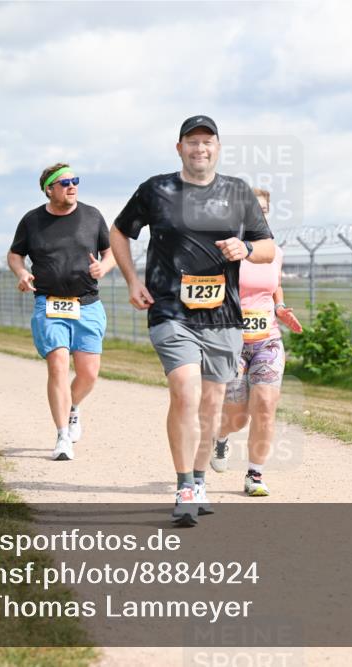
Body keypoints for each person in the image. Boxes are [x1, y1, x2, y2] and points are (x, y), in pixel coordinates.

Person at [110, 115, 275, 526]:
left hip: (223, 314)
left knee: (213, 403)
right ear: (179, 147)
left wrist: (245, 248)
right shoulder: (157, 189)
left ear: (217, 147)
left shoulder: (237, 191)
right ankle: (184, 484)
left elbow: (268, 247)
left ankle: (199, 479)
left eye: (207, 141)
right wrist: (132, 280)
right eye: (192, 142)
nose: (200, 148)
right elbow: (118, 233)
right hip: (170, 308)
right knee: (184, 389)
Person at [8, 163, 115, 462]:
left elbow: (110, 252)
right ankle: (62, 436)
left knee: (89, 374)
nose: (72, 186)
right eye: (64, 182)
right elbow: (15, 254)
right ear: (49, 189)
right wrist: (21, 272)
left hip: (88, 304)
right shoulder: (32, 221)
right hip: (49, 304)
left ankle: (72, 408)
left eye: (75, 181)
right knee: (57, 365)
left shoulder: (92, 216)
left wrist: (102, 268)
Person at [211, 188, 302, 496]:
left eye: (263, 209)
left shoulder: (274, 252)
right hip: (230, 339)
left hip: (268, 339)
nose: (257, 214)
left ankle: (255, 475)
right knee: (237, 417)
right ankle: (221, 437)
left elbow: (273, 285)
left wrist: (280, 308)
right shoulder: (221, 251)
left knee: (264, 406)